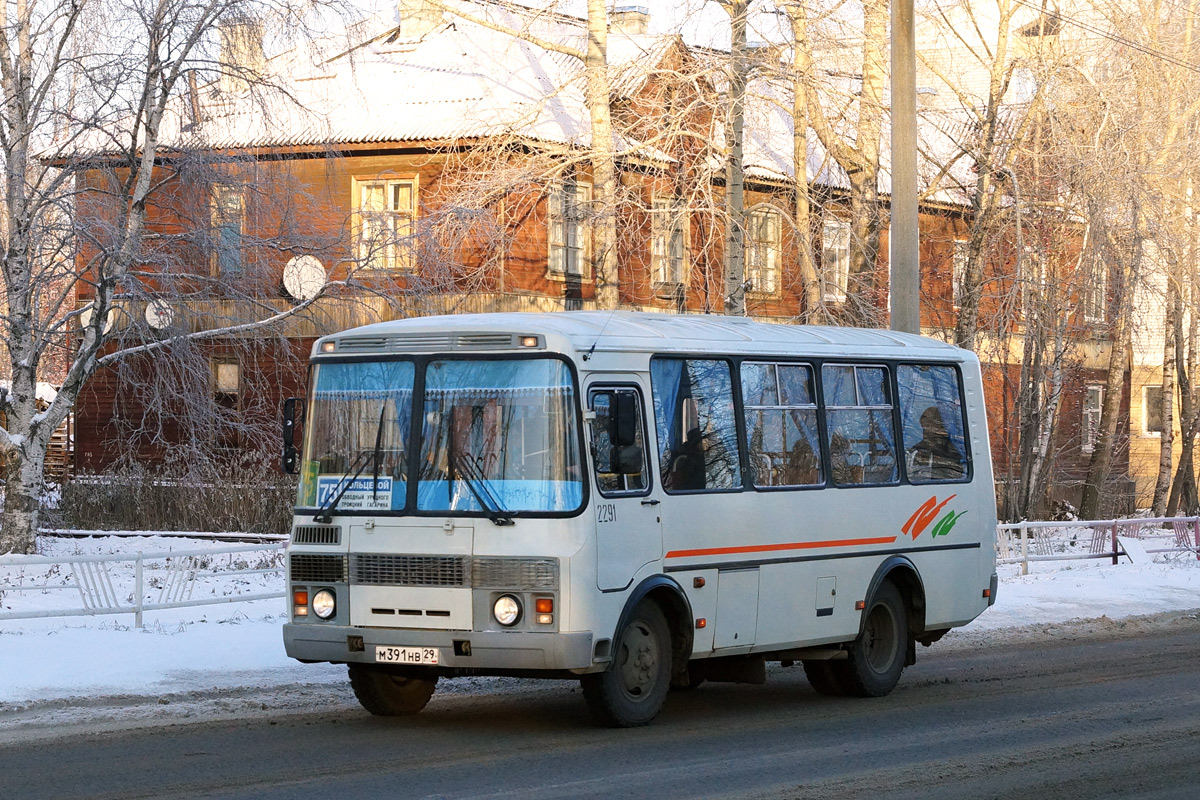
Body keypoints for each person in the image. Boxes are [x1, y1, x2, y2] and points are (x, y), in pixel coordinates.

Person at [908, 406, 964, 480]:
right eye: (924, 426)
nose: (925, 429)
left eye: (928, 425)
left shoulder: (953, 447)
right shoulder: (919, 449)